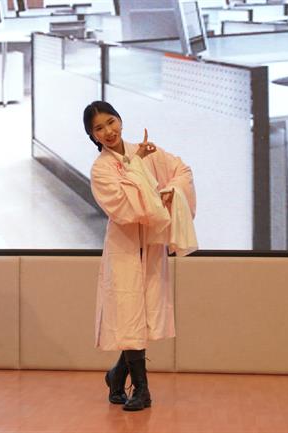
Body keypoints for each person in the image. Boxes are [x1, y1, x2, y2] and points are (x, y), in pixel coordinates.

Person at [83, 101, 196, 411]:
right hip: (125, 247)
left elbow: (182, 172)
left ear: (120, 119)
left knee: (143, 317)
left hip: (152, 245)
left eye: (111, 122)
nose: (108, 131)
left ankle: (117, 375)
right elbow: (126, 207)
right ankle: (142, 390)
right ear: (92, 136)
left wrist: (171, 191)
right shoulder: (101, 170)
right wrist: (139, 168)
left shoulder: (145, 151)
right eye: (99, 128)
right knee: (130, 314)